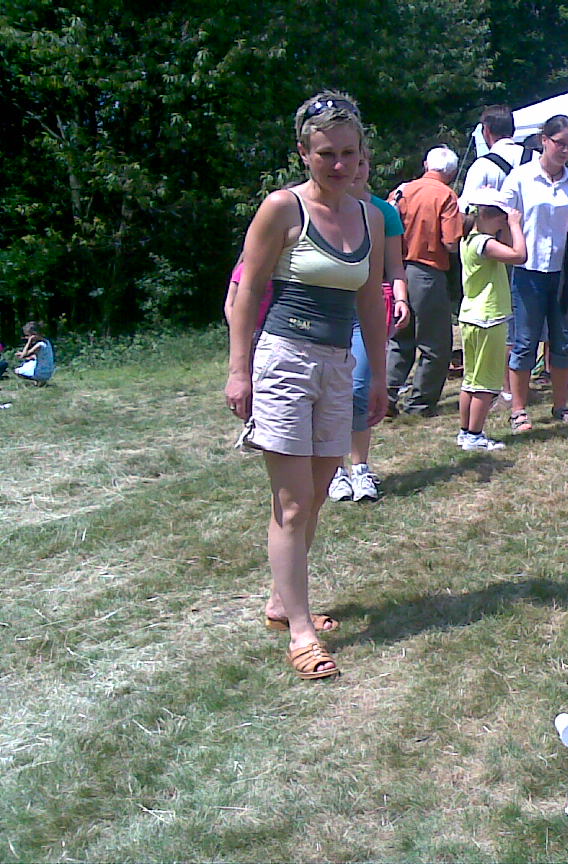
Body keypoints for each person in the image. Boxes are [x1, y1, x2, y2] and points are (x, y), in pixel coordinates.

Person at [225, 91, 390, 680]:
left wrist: (379, 374)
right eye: (326, 154)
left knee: (316, 495)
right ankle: (300, 630)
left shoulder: (371, 216)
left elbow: (370, 299)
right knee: (293, 503)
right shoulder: (282, 208)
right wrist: (239, 368)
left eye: (349, 152)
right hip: (285, 361)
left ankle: (281, 603)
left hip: (339, 365)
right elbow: (247, 290)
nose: (339, 164)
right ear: (303, 152)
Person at [329, 149, 411, 502]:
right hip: (331, 309)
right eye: (353, 163)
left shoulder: (383, 212)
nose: (357, 170)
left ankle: (360, 467)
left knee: (360, 387)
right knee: (333, 391)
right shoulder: (325, 208)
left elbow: (395, 267)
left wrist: (402, 298)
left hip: (370, 308)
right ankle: (334, 470)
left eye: (363, 163)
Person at [501, 114, 568, 432]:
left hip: (562, 271)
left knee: (563, 340)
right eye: (560, 143)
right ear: (544, 141)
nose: (565, 151)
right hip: (527, 270)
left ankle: (560, 405)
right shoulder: (521, 177)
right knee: (525, 341)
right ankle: (519, 409)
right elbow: (500, 216)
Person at [386, 145, 464, 417]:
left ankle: (386, 395)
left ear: (426, 165)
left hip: (397, 270)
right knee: (435, 344)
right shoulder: (446, 196)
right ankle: (420, 403)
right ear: (451, 173)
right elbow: (451, 242)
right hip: (428, 273)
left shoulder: (401, 191)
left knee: (400, 338)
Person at [456, 187, 526, 450]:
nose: (502, 222)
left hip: (471, 316)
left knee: (471, 380)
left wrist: (506, 226)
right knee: (486, 383)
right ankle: (475, 435)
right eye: (500, 217)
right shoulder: (484, 243)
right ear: (486, 215)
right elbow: (519, 256)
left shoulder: (469, 239)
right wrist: (515, 225)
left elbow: (506, 246)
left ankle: (466, 432)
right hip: (489, 318)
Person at [459, 105, 531, 207]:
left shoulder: (482, 166)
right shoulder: (536, 158)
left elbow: (465, 207)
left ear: (486, 130)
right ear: (513, 130)